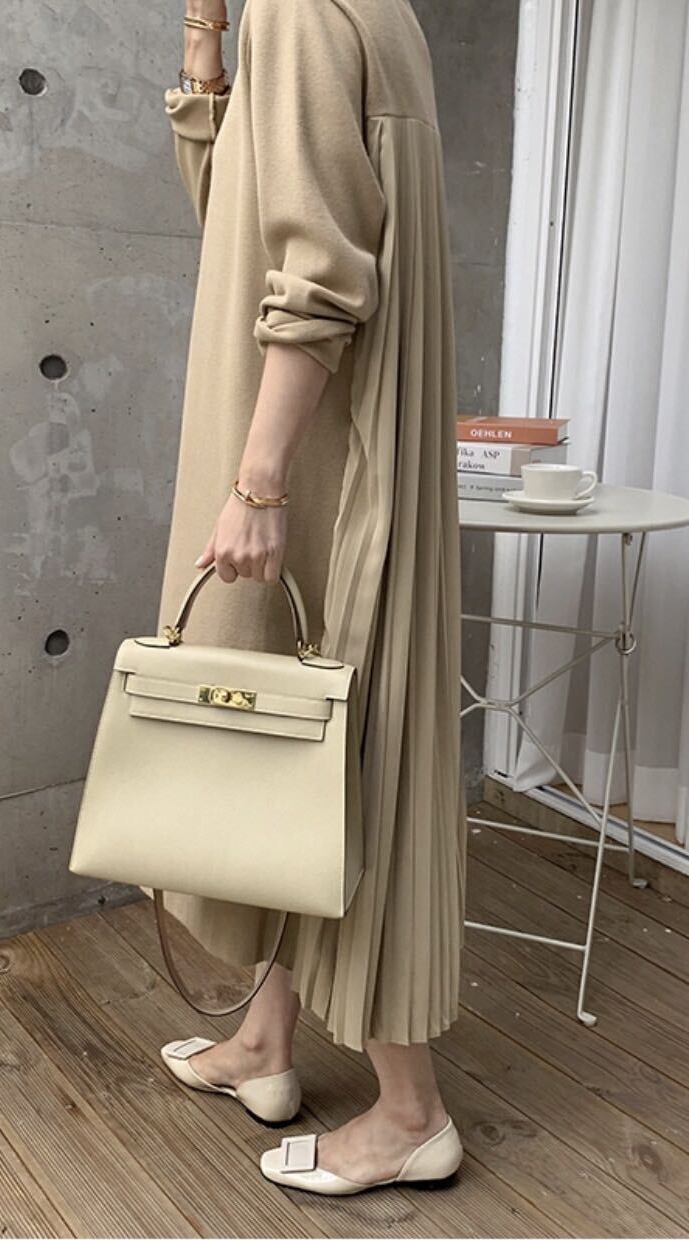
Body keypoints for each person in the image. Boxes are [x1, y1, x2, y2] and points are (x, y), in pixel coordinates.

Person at [152, 0, 466, 1195]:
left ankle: (411, 1111)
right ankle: (266, 1039)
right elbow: (241, 223)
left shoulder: (303, 11)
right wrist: (204, 44)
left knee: (343, 752)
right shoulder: (352, 16)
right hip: (331, 439)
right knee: (291, 741)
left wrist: (260, 481)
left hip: (320, 454)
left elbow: (321, 271)